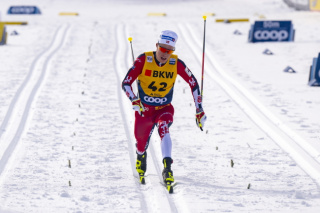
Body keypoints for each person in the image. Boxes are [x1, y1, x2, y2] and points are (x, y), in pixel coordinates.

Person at [122, 30, 207, 185]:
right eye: (162, 49)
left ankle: (167, 168)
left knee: (164, 128)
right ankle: (141, 154)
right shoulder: (144, 59)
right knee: (141, 142)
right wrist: (134, 99)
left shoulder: (176, 63)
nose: (165, 53)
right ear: (157, 46)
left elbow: (193, 83)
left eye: (169, 51)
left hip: (164, 108)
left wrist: (199, 109)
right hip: (144, 111)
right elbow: (126, 83)